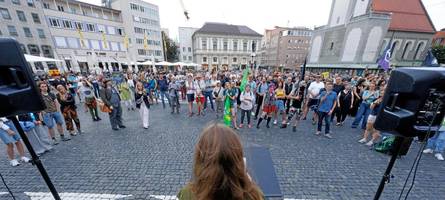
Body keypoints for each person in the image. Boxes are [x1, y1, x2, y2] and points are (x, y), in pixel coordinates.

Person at [177, 123, 263, 200]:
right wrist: (249, 185)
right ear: (237, 160)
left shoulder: (187, 194)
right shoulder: (253, 195)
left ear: (201, 158)